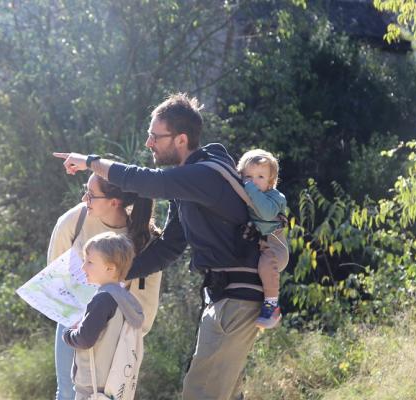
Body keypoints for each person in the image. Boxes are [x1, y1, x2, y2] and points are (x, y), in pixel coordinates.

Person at [54, 93, 263, 400]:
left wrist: (90, 162)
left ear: (180, 139)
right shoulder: (190, 186)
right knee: (223, 392)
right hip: (224, 296)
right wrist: (121, 274)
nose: (149, 143)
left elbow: (148, 182)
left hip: (236, 297)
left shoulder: (203, 174)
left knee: (202, 392)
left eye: (155, 136)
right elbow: (170, 246)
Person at [47, 173, 158, 400]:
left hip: (115, 332)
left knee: (107, 394)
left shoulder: (143, 236)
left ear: (114, 202)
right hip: (74, 318)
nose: (83, 199)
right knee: (68, 391)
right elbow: (54, 270)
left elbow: (145, 296)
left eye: (90, 195)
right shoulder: (73, 221)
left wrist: (133, 336)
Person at [63, 232, 144, 400]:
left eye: (90, 262)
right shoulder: (126, 299)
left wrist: (68, 334)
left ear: (110, 268)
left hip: (92, 386)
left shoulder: (102, 299)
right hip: (116, 384)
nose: (83, 267)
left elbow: (85, 339)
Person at [236, 149, 289, 329]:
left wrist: (249, 186)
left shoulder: (275, 197)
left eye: (260, 177)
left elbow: (266, 213)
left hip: (274, 247)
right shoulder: (247, 193)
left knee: (266, 265)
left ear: (271, 181)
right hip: (257, 242)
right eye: (248, 176)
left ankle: (272, 306)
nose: (254, 181)